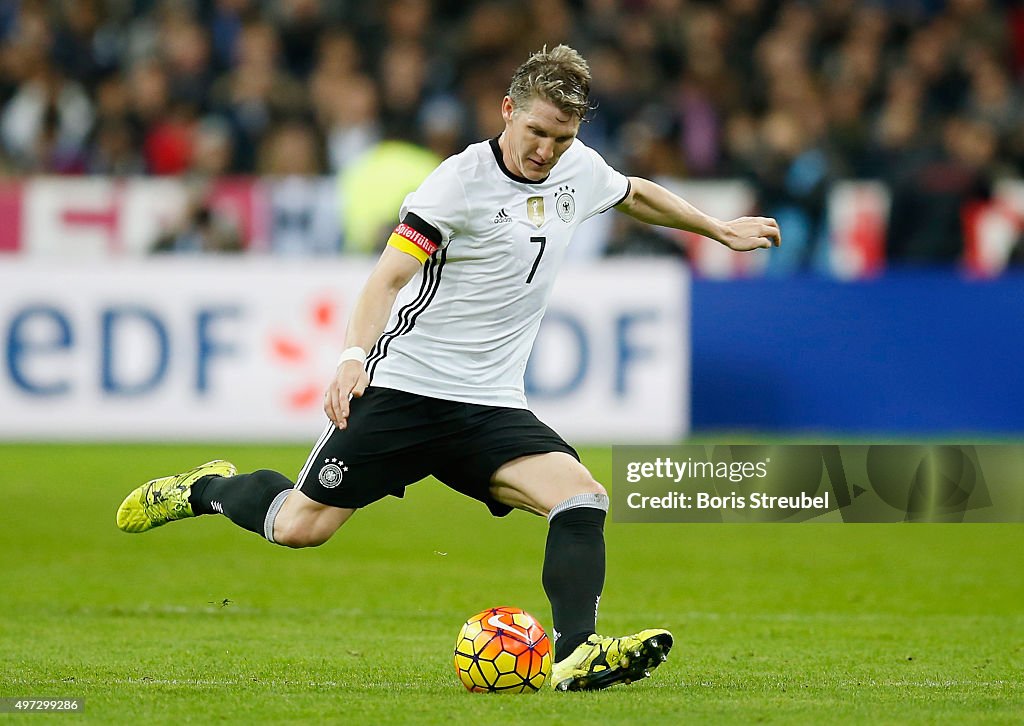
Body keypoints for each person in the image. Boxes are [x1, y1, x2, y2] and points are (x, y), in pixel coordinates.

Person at [116, 45, 780, 691]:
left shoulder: (578, 167)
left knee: (582, 497)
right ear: (506, 111)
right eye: (537, 131)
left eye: (562, 136)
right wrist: (352, 360)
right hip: (405, 389)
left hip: (489, 405)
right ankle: (207, 488)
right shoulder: (457, 184)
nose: (547, 150)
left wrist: (717, 229)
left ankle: (576, 655)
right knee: (299, 527)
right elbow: (385, 281)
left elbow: (633, 193)